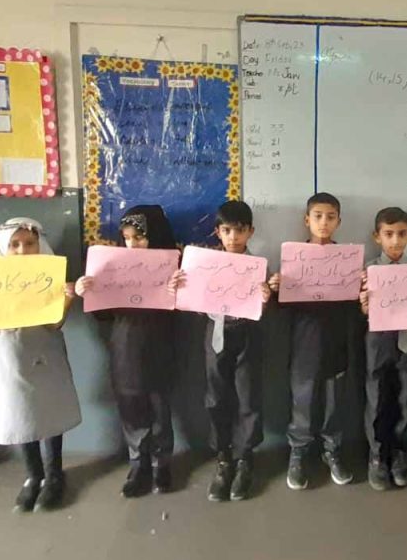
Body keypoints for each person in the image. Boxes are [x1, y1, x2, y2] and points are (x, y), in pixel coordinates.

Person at [0, 217, 81, 512]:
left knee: (49, 410)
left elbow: (54, 323)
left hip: (45, 353)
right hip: (10, 355)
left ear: (39, 245)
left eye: (30, 243)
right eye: (15, 245)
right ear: (3, 248)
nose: (22, 250)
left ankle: (54, 474)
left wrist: (68, 298)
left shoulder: (48, 277)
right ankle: (34, 475)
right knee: (20, 412)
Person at [170, 200, 272, 501]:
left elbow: (263, 308)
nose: (233, 237)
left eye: (239, 231)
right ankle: (224, 458)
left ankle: (245, 458)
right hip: (216, 333)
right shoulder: (204, 265)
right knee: (216, 397)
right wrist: (179, 286)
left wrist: (266, 297)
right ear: (218, 232)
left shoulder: (258, 266)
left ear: (250, 231)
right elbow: (191, 299)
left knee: (248, 396)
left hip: (248, 334)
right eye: (227, 231)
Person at [75, 205, 177, 497]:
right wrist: (88, 291)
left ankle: (161, 463)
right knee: (131, 404)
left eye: (140, 237)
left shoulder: (172, 265)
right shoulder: (113, 267)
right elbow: (103, 315)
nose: (133, 244)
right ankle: (138, 463)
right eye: (128, 238)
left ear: (155, 236)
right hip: (125, 344)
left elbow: (186, 308)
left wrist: (177, 290)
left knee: (159, 405)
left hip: (160, 343)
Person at [278, 192, 354, 491]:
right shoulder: (294, 258)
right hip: (304, 344)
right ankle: (298, 452)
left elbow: (353, 306)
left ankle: (331, 450)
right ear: (306, 220)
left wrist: (361, 287)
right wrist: (278, 287)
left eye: (330, 217)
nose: (324, 222)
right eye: (318, 216)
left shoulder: (347, 259)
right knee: (303, 402)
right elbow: (284, 306)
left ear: (339, 222)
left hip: (337, 342)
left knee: (334, 403)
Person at [358, 207, 407, 491]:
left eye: (402, 234)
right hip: (378, 342)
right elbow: (358, 312)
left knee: (404, 396)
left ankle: (398, 450)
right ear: (377, 237)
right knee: (376, 396)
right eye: (388, 234)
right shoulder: (367, 271)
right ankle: (377, 454)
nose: (395, 241)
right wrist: (364, 305)